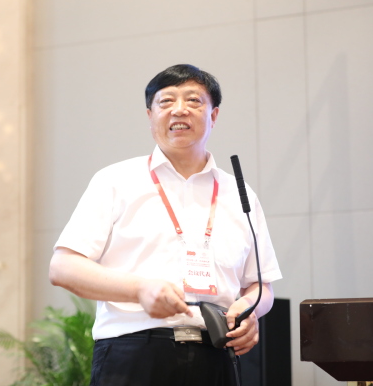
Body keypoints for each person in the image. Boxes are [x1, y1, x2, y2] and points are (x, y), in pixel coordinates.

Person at [49, 64, 282, 386]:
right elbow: (63, 268)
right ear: (150, 115)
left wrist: (249, 309)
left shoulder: (240, 193)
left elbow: (261, 285)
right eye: (166, 101)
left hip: (216, 355)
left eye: (194, 100)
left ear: (214, 115)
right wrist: (139, 289)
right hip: (133, 353)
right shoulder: (115, 181)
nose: (179, 109)